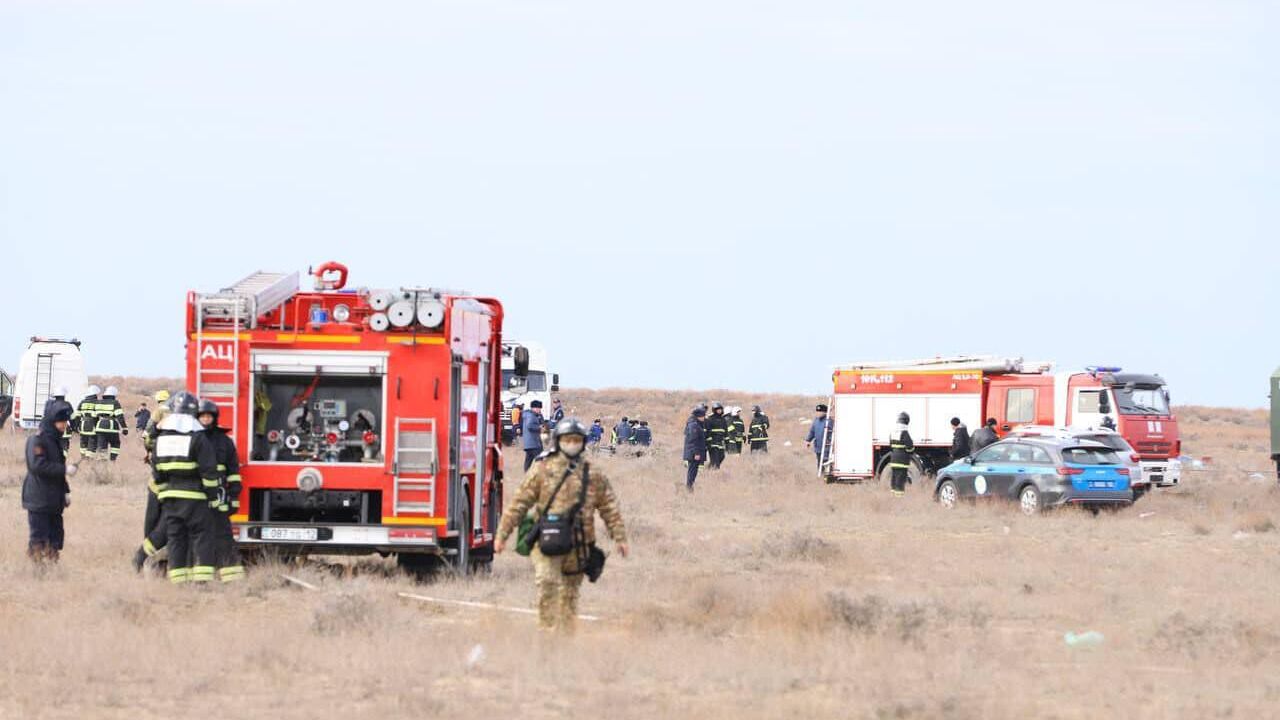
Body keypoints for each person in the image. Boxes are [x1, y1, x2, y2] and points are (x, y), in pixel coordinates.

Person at [494, 418, 629, 633]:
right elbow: (519, 503)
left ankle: (564, 640)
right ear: (559, 441)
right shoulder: (543, 469)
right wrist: (502, 536)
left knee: (569, 596)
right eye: (568, 439)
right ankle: (546, 637)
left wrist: (620, 538)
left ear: (583, 443)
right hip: (547, 540)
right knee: (547, 584)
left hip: (579, 545)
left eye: (576, 440)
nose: (572, 443)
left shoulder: (593, 474)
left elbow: (609, 508)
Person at [145, 391, 219, 584]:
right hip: (195, 498)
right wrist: (212, 497)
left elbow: (156, 469)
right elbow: (209, 471)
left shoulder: (162, 439)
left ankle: (178, 582)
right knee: (201, 537)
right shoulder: (198, 439)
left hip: (170, 499)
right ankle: (201, 582)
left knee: (176, 538)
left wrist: (163, 492)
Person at [196, 400, 245, 582]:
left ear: (214, 418)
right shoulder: (193, 437)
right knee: (200, 536)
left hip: (220, 495)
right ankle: (201, 576)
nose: (206, 420)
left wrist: (233, 497)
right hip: (197, 495)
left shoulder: (224, 441)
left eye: (209, 416)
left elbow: (233, 471)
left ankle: (231, 577)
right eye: (202, 416)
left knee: (224, 535)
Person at [22, 404, 77, 565]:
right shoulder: (37, 440)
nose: (65, 425)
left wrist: (65, 492)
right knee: (39, 537)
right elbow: (37, 466)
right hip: (39, 499)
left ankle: (52, 567)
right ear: (53, 421)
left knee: (55, 537)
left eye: (66, 421)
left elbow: (57, 472)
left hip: (54, 499)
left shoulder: (55, 441)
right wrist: (65, 469)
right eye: (62, 421)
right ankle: (36, 569)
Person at [94, 385, 128, 461]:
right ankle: (113, 460)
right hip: (112, 427)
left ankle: (102, 463)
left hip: (100, 427)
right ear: (113, 395)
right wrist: (124, 428)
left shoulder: (98, 403)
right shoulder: (115, 403)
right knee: (115, 444)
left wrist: (95, 427)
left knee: (102, 446)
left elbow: (95, 416)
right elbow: (120, 416)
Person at [888, 412, 915, 496]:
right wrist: (911, 451)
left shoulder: (892, 433)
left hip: (893, 459)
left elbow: (891, 445)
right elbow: (910, 447)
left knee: (894, 479)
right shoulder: (904, 433)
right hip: (902, 461)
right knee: (900, 480)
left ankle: (892, 497)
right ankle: (899, 499)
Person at [72, 385, 100, 460]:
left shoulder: (82, 402)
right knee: (92, 442)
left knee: (83, 443)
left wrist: (75, 427)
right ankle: (89, 460)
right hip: (93, 426)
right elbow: (98, 416)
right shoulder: (97, 402)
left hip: (83, 426)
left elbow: (77, 416)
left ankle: (83, 459)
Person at [683, 407, 707, 490]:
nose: (704, 417)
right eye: (703, 416)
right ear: (698, 416)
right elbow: (694, 441)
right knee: (692, 471)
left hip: (694, 452)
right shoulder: (694, 425)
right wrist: (696, 453)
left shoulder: (696, 424)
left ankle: (690, 486)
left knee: (693, 471)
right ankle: (689, 488)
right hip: (693, 453)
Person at [43, 387, 73, 452]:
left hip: (52, 431)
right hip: (65, 429)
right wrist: (74, 427)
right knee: (64, 446)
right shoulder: (67, 404)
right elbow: (72, 417)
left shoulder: (50, 405)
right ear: (64, 396)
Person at [522, 400, 546, 472]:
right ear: (534, 408)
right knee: (539, 460)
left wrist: (540, 416)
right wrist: (539, 428)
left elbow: (542, 423)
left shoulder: (532, 415)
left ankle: (527, 475)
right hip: (534, 443)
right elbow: (530, 426)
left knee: (528, 460)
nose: (539, 410)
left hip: (529, 443)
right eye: (538, 408)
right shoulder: (531, 416)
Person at [805, 403, 830, 470]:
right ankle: (820, 478)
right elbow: (812, 431)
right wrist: (808, 440)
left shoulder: (829, 421)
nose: (818, 413)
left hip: (827, 448)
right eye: (817, 411)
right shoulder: (816, 421)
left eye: (820, 412)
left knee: (826, 464)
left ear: (825, 412)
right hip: (818, 447)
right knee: (820, 464)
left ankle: (827, 477)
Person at [705, 403, 728, 469]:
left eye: (720, 409)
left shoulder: (723, 419)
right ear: (714, 410)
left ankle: (709, 468)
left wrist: (727, 441)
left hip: (720, 442)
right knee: (715, 459)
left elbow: (725, 431)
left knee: (722, 456)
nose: (719, 411)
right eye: (718, 409)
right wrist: (709, 442)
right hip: (713, 442)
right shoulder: (710, 419)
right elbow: (708, 431)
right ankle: (715, 473)